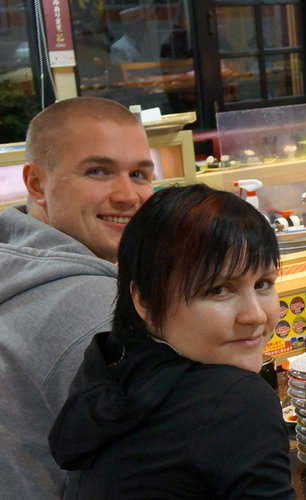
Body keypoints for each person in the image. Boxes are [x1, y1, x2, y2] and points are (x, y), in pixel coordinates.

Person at [49, 184, 306, 499]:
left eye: (263, 284)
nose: (255, 315)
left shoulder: (109, 371)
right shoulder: (231, 400)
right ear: (145, 301)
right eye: (219, 289)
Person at [0, 97, 154, 498]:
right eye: (98, 171)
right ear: (37, 184)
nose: (128, 195)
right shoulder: (93, 307)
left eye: (139, 174)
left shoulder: (14, 261)